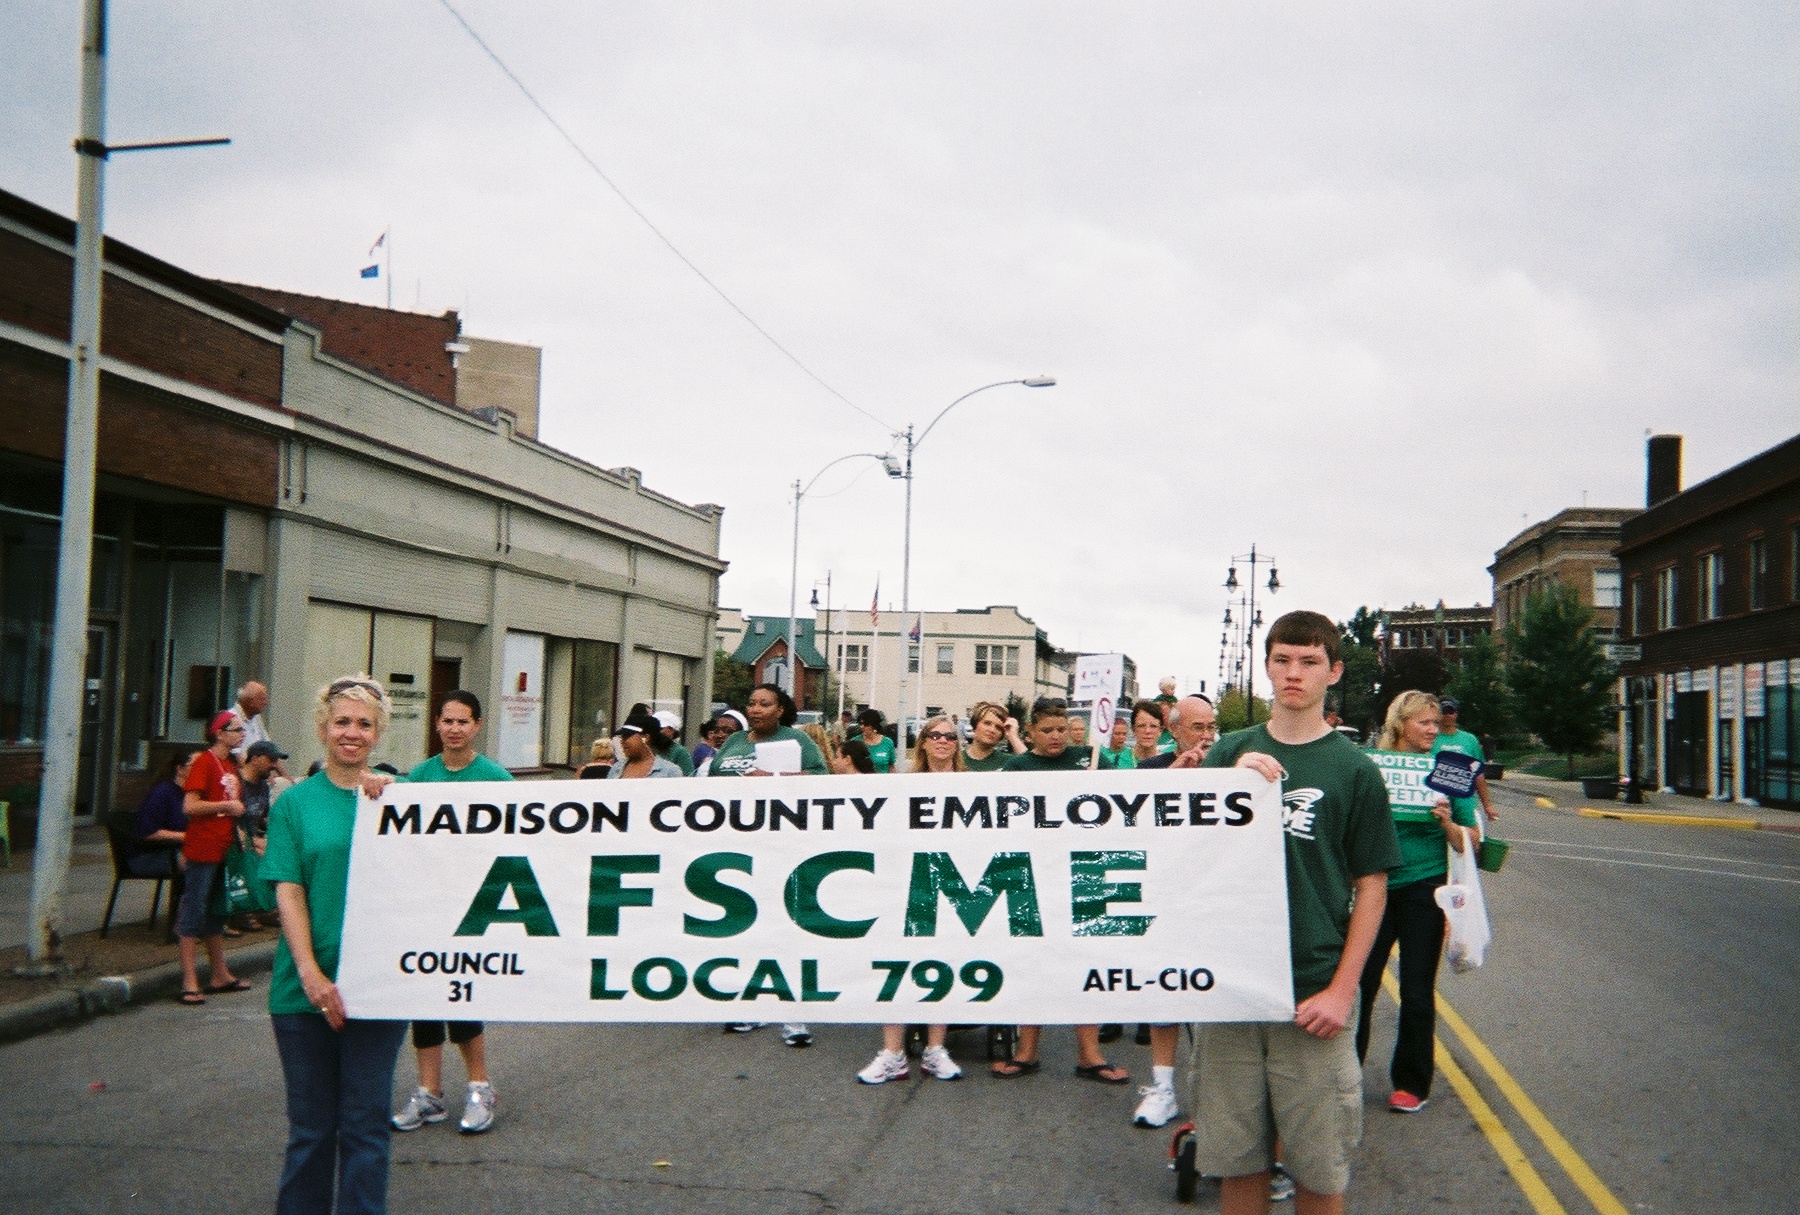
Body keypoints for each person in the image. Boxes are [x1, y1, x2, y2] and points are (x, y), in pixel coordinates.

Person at [1197, 612, 1400, 1215]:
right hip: (1231, 989)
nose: (1294, 673)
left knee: (1318, 1171)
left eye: (1309, 662)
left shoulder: (1355, 769)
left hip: (1312, 989)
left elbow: (1372, 887)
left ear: (1333, 672)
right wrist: (1223, 789)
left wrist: (1343, 991)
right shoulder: (1230, 751)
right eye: (1283, 659)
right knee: (1239, 1164)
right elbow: (1187, 858)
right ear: (1266, 667)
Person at [263, 675, 410, 1213]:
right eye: (342, 722)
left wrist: (392, 800)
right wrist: (310, 973)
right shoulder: (294, 804)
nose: (352, 733)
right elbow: (289, 888)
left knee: (367, 1128)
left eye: (364, 724)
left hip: (378, 991)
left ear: (378, 735)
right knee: (311, 1132)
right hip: (304, 991)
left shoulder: (399, 804)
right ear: (323, 728)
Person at [390, 691, 508, 1137]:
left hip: (473, 907)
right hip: (425, 905)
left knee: (461, 997)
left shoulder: (494, 779)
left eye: (464, 721)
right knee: (424, 1001)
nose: (455, 728)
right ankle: (430, 1093)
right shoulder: (418, 777)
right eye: (448, 720)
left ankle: (480, 1087)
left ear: (477, 726)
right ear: (437, 724)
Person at [1354, 691, 1475, 1116]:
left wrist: (1446, 820)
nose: (1432, 729)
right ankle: (1343, 1075)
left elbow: (1472, 841)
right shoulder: (1371, 764)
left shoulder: (1450, 770)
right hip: (1375, 886)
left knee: (1418, 988)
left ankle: (1411, 1082)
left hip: (1425, 886)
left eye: (1436, 723)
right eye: (1423, 722)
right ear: (1400, 723)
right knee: (1360, 983)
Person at [994, 699, 1123, 1084]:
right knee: (1031, 961)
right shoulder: (1016, 767)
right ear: (1030, 730)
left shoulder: (1092, 757)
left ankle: (1089, 1053)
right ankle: (1027, 1050)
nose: (1055, 737)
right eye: (1047, 730)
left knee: (1087, 960)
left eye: (1061, 729)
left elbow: (1130, 798)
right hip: (1032, 874)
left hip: (1084, 872)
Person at [1123, 693, 1222, 1128]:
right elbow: (1130, 826)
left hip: (1214, 897)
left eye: (1210, 728)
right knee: (1165, 995)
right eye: (1197, 728)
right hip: (1164, 896)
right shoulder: (1151, 770)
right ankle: (1163, 1087)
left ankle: (1216, 1095)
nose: (1205, 736)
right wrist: (1172, 781)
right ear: (1175, 730)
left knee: (1212, 1000)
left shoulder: (1229, 767)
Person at [709, 683, 825, 1046]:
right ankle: (752, 1003)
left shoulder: (798, 741)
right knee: (748, 927)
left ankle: (793, 1017)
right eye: (752, 703)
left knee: (785, 928)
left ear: (780, 710)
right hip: (738, 846)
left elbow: (824, 780)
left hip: (782, 845)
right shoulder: (734, 742)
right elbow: (712, 782)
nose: (756, 709)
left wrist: (773, 779)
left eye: (765, 704)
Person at [858, 714, 966, 1084]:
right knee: (897, 965)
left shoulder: (974, 785)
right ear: (922, 742)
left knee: (943, 966)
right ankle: (893, 1052)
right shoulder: (901, 785)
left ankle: (935, 1050)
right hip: (908, 883)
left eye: (950, 736)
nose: (942, 741)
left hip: (954, 885)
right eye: (935, 735)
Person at [176, 710, 251, 1005]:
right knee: (194, 909)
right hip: (203, 846)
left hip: (224, 846)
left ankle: (219, 973)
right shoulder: (204, 762)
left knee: (217, 910)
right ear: (219, 732)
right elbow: (190, 806)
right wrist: (227, 806)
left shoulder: (230, 764)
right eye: (236, 729)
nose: (241, 734)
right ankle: (189, 979)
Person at [128, 749, 197, 878]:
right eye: (197, 766)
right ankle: (191, 898)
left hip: (179, 850)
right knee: (204, 861)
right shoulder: (163, 793)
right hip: (150, 855)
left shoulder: (194, 795)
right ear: (180, 769)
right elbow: (149, 832)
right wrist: (188, 836)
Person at [1433, 697, 1497, 823]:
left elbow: (1478, 774)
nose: (1447, 715)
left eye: (1450, 711)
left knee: (1469, 836)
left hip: (1464, 796)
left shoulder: (1469, 739)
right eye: (1443, 711)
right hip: (1438, 796)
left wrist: (1487, 805)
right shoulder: (1430, 737)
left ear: (1456, 713)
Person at [609, 713, 685, 778]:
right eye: (622, 737)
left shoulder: (669, 771)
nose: (622, 741)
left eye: (627, 736)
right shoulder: (616, 769)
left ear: (645, 737)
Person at [961, 700, 1026, 771]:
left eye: (998, 728)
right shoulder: (956, 759)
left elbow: (1033, 769)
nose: (992, 730)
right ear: (975, 725)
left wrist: (1013, 737)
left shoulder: (1008, 762)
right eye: (987, 723)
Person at [1112, 700, 1169, 770]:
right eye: (1141, 726)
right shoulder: (1115, 762)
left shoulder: (1168, 763)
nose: (1147, 731)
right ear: (1133, 729)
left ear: (1160, 730)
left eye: (1153, 726)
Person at [654, 710, 696, 775]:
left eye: (660, 728)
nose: (656, 731)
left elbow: (688, 777)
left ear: (671, 730)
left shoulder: (680, 752)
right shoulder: (649, 749)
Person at [857, 708, 896, 773]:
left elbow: (891, 766)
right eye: (860, 724)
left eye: (865, 724)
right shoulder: (855, 742)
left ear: (874, 724)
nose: (862, 726)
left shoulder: (888, 742)